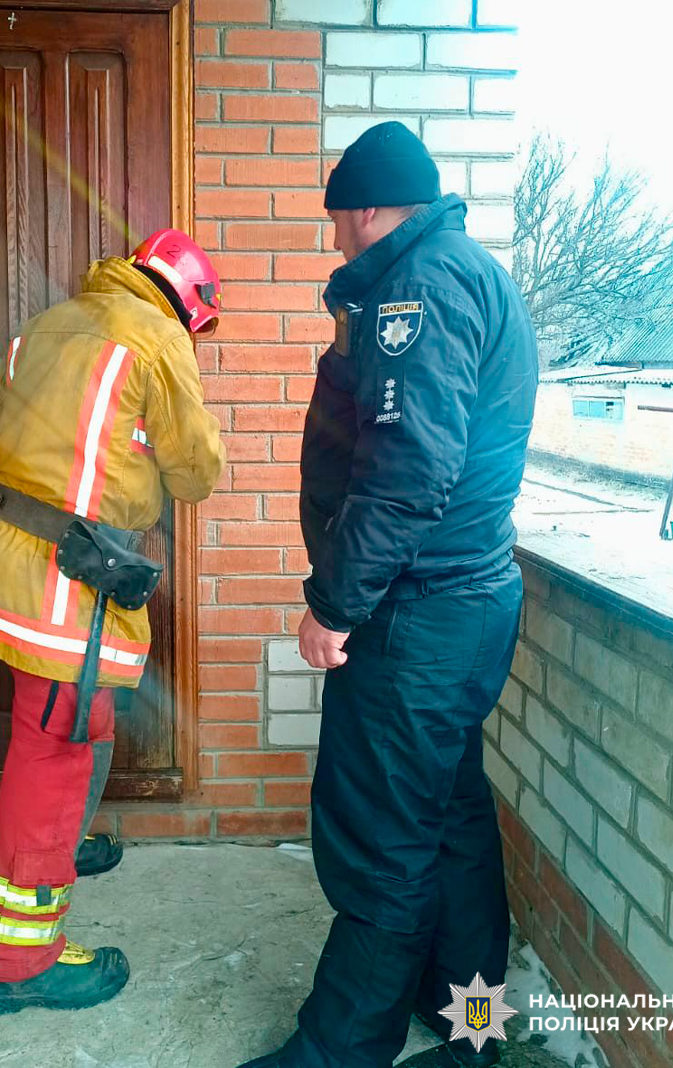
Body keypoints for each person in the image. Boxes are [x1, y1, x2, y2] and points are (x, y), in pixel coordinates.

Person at [239, 122, 538, 1068]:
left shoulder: (419, 285)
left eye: (335, 222)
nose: (334, 241)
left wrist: (335, 604)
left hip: (418, 616)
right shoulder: (463, 270)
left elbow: (410, 470)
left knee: (385, 846)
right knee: (449, 827)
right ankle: (469, 1029)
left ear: (363, 209)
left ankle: (339, 1051)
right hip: (464, 605)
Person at [0, 229, 225, 1017]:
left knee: (81, 724)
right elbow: (197, 471)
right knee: (49, 758)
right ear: (187, 302)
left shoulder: (47, 323)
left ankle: (62, 845)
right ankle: (15, 965)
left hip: (17, 557)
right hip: (69, 581)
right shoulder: (156, 339)